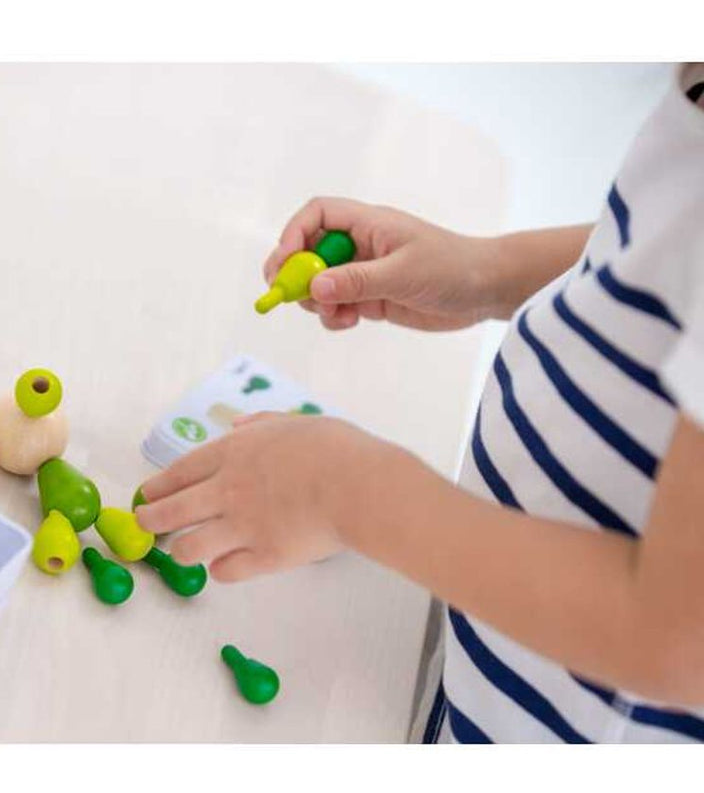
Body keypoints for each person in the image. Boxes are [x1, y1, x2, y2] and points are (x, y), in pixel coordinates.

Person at [136, 63, 704, 743]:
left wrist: (346, 491)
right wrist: (484, 273)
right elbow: (663, 250)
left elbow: (679, 637)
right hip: (497, 654)